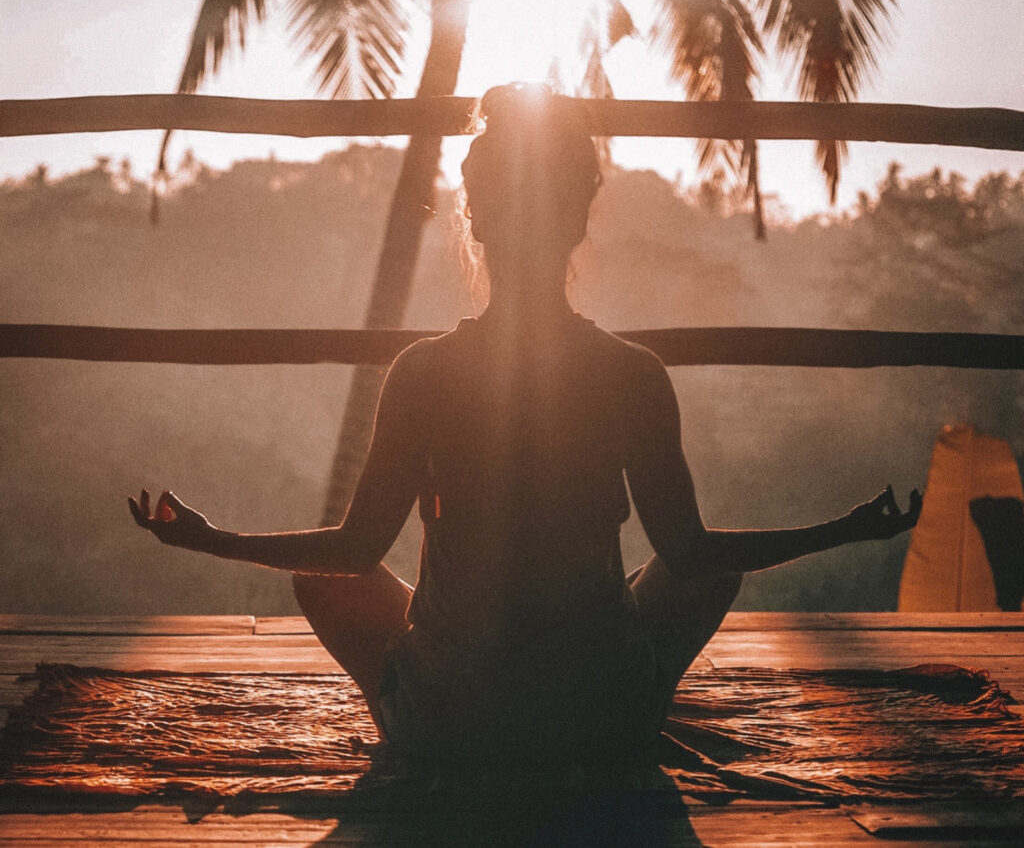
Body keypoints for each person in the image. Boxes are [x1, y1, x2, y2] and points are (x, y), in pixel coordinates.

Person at [130, 83, 921, 774]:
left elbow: (355, 551)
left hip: (452, 725)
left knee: (323, 579)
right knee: (709, 569)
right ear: (578, 222)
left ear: (476, 220)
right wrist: (844, 529)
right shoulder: (631, 373)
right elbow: (691, 554)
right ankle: (629, 702)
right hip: (600, 718)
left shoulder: (423, 371)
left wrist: (214, 540)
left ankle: (417, 713)